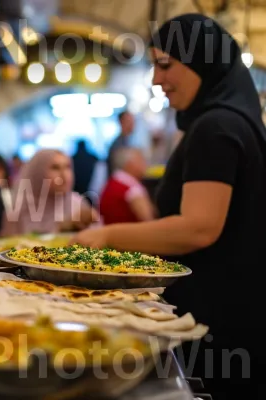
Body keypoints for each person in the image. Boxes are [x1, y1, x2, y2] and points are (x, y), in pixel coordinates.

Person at [72, 14, 266, 399]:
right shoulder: (231, 120)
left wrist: (105, 236)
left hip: (218, 322)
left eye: (165, 65)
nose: (156, 80)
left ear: (202, 62)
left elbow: (198, 227)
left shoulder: (217, 126)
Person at [1, 149, 100, 236]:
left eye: (67, 167)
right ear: (38, 173)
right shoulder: (21, 207)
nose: (64, 174)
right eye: (55, 168)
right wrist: (62, 228)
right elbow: (8, 247)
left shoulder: (78, 204)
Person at [100, 147, 154, 224]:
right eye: (141, 160)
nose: (146, 164)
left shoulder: (114, 180)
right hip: (129, 233)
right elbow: (148, 219)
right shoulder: (132, 188)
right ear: (130, 164)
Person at [106, 111, 135, 177]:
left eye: (133, 121)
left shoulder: (127, 141)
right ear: (121, 122)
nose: (132, 124)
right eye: (129, 121)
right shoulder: (117, 145)